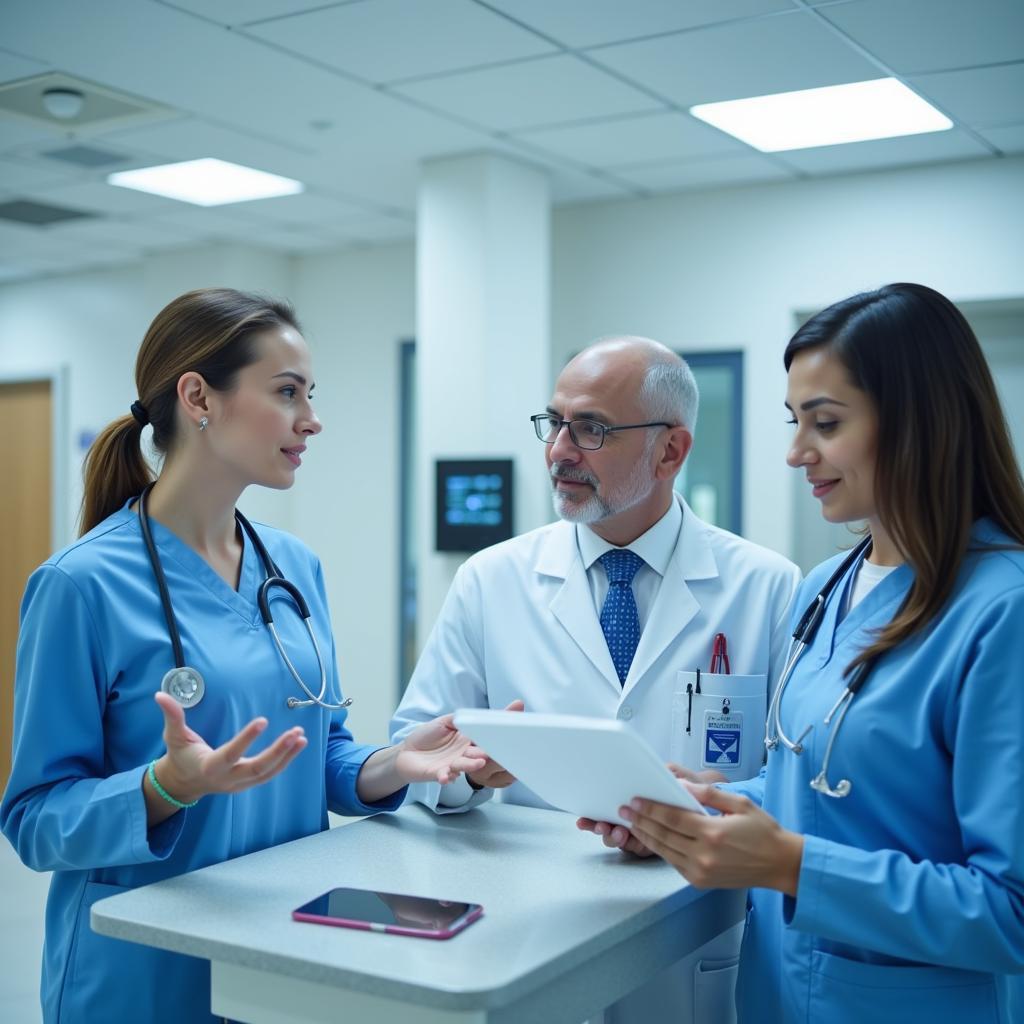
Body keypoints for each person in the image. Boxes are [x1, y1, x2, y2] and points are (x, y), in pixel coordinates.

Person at [0, 288, 486, 1024]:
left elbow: (316, 754)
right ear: (198, 396)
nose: (311, 419)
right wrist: (164, 787)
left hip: (282, 958)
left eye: (310, 394)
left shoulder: (294, 569)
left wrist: (399, 764)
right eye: (287, 392)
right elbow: (34, 818)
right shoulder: (81, 586)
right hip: (143, 976)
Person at [620, 283, 1024, 1023]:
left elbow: (1012, 911)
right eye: (794, 421)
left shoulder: (1003, 611)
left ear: (921, 421)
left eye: (826, 424)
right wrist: (701, 810)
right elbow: (823, 788)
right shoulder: (826, 586)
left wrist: (789, 865)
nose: (796, 453)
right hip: (777, 996)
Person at [391, 336, 801, 1023]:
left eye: (591, 428)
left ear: (671, 451)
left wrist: (694, 810)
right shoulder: (490, 581)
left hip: (692, 941)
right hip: (531, 938)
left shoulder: (767, 588)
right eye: (553, 422)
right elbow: (414, 751)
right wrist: (461, 770)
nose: (558, 450)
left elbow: (794, 781)